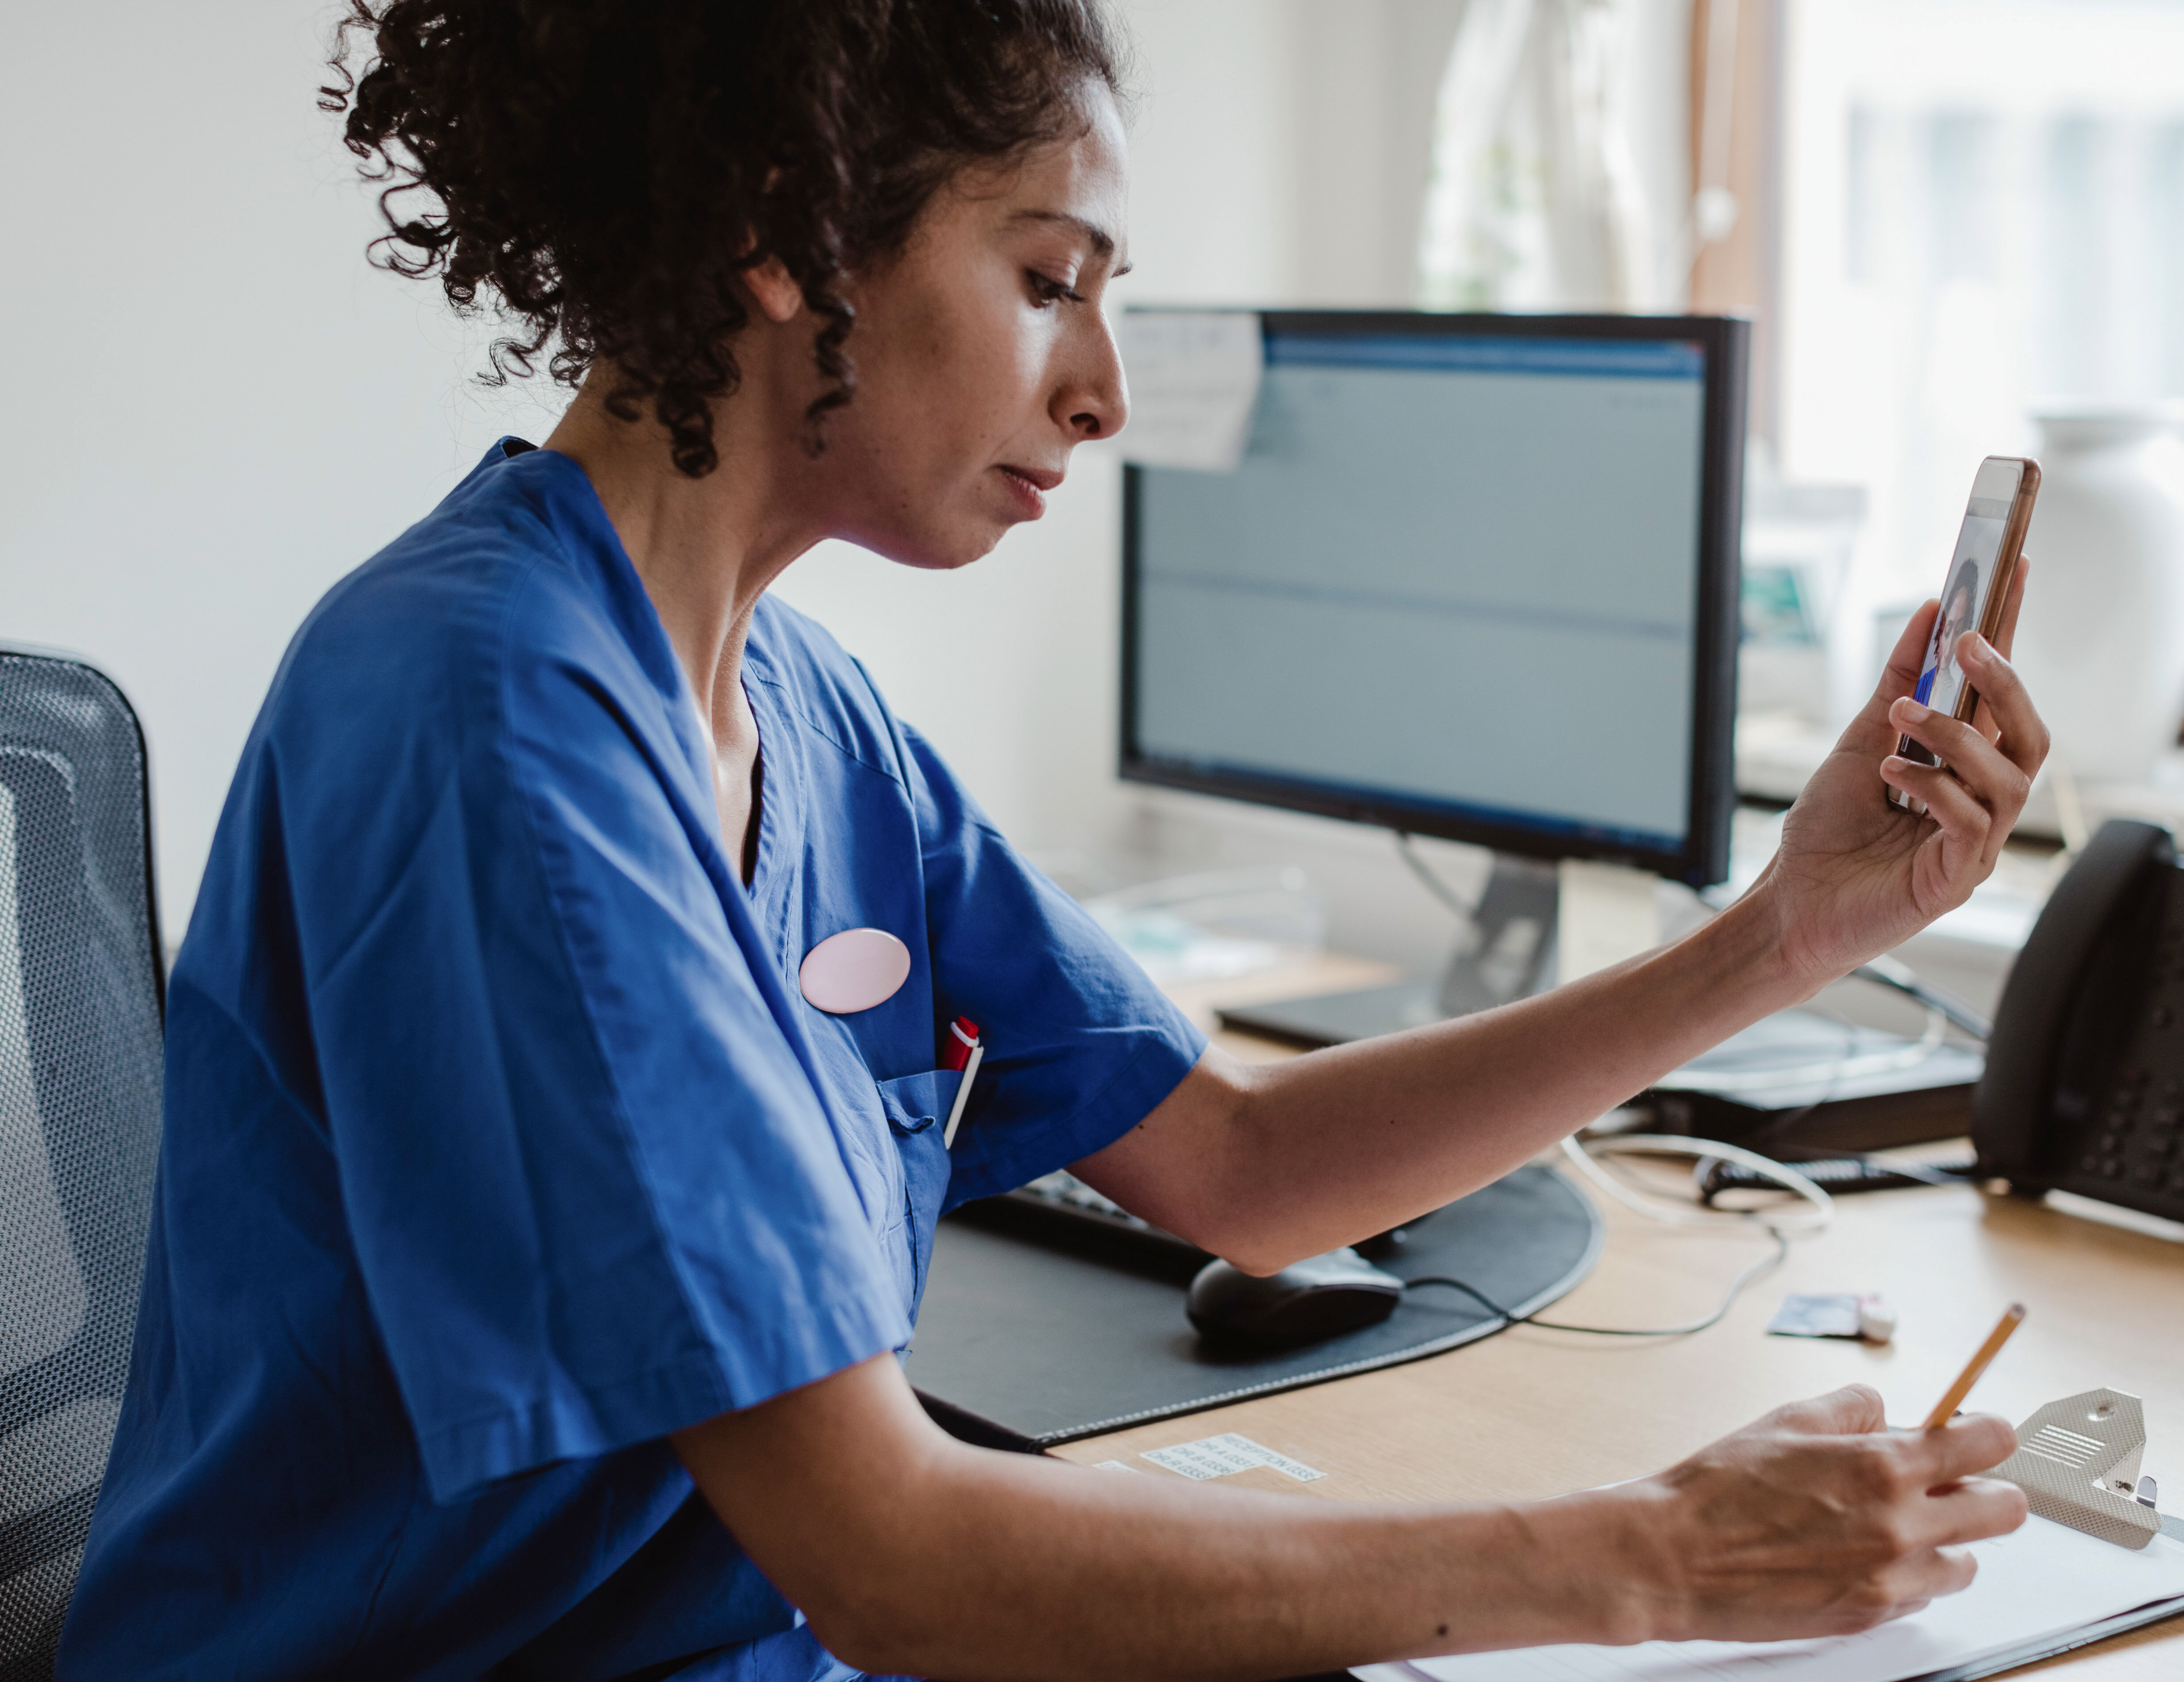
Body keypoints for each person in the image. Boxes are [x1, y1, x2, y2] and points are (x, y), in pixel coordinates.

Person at [58, 4, 2051, 1678]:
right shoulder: (486, 716)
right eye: (1044, 283)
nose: (1098, 389)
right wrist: (1649, 1554)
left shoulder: (805, 715)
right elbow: (891, 1549)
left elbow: (1241, 1171)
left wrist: (1780, 933)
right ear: (786, 232)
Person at [1916, 557, 1982, 718]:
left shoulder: (1955, 691)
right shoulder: (1923, 681)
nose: (1951, 641)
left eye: (1959, 632)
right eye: (1948, 630)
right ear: (1941, 628)